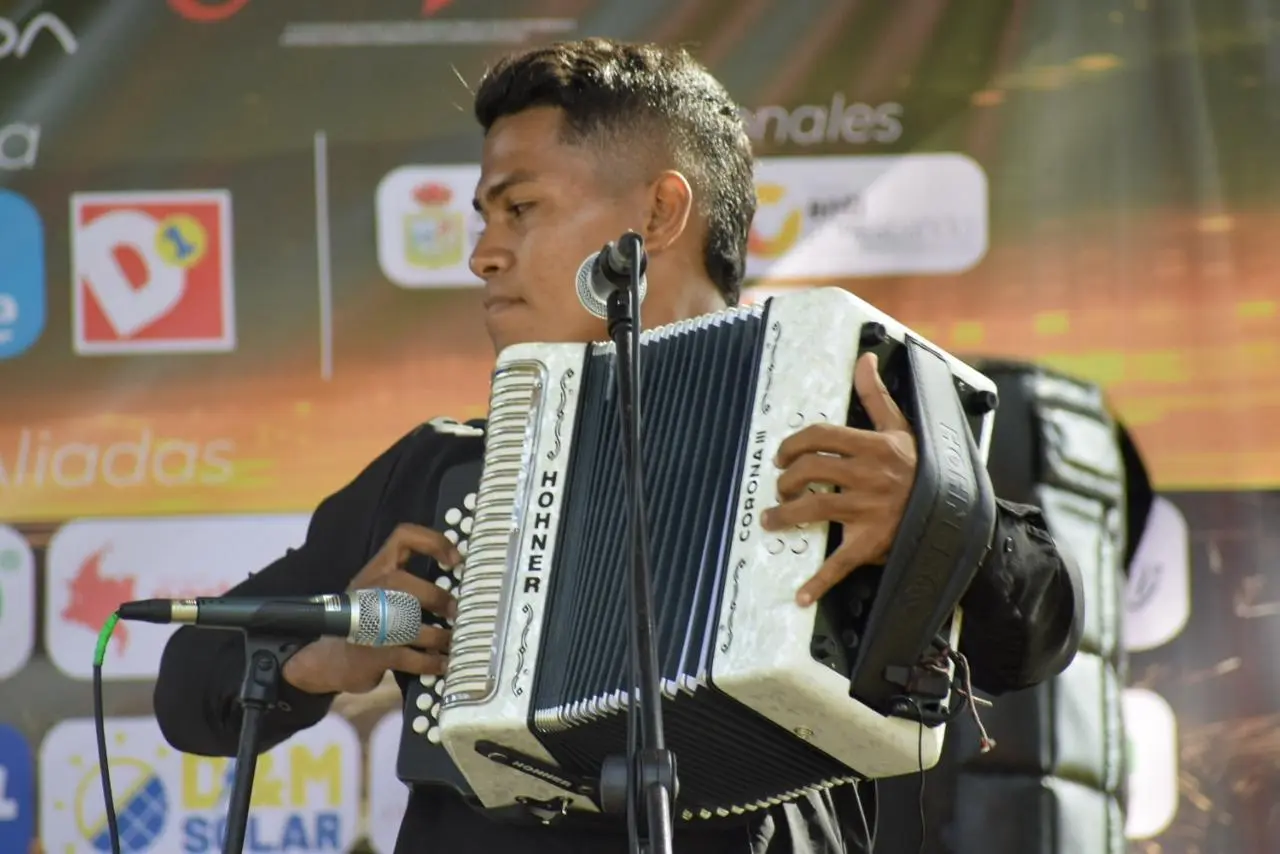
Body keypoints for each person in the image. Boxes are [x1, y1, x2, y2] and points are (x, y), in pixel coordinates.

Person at [153, 37, 1084, 854]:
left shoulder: (853, 424)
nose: (483, 252)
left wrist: (939, 519)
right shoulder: (440, 471)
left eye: (518, 209)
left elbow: (1038, 634)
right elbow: (188, 693)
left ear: (657, 216)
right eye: (482, 217)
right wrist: (327, 647)